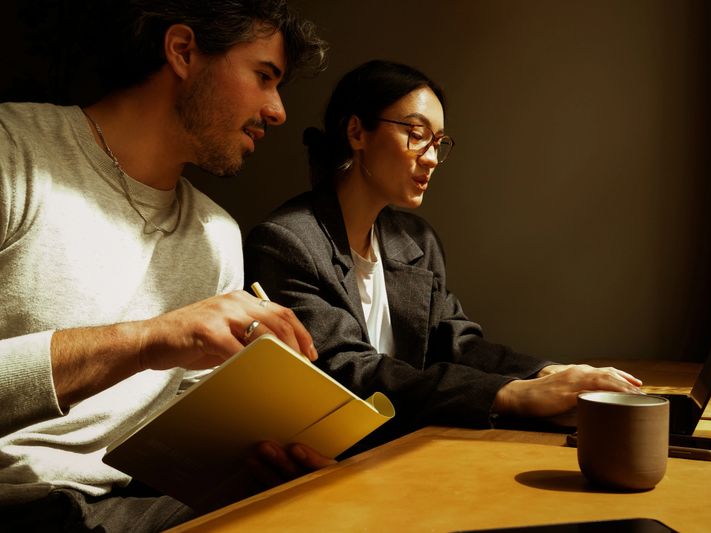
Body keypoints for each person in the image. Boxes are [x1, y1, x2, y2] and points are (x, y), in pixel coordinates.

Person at [0, 1, 333, 530]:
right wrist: (148, 340)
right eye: (264, 76)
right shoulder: (13, 150)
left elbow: (174, 438)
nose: (278, 111)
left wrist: (261, 453)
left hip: (130, 503)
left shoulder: (217, 234)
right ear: (182, 51)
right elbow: (156, 343)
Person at [244, 60, 644, 449]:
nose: (432, 158)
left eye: (438, 142)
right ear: (356, 131)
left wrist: (551, 373)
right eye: (415, 134)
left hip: (409, 449)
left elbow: (458, 342)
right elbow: (349, 372)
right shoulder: (287, 242)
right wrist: (513, 394)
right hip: (330, 459)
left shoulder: (415, 239)